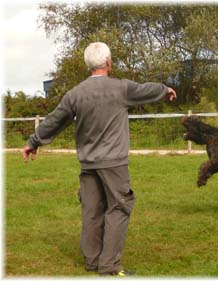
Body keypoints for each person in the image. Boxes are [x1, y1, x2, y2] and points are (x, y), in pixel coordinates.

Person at [23, 42, 177, 276]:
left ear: (89, 65)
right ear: (108, 62)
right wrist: (165, 89)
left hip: (88, 164)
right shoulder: (121, 88)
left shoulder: (75, 94)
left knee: (91, 211)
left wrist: (33, 142)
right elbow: (147, 89)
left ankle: (93, 262)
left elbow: (54, 120)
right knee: (119, 208)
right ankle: (109, 266)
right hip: (114, 164)